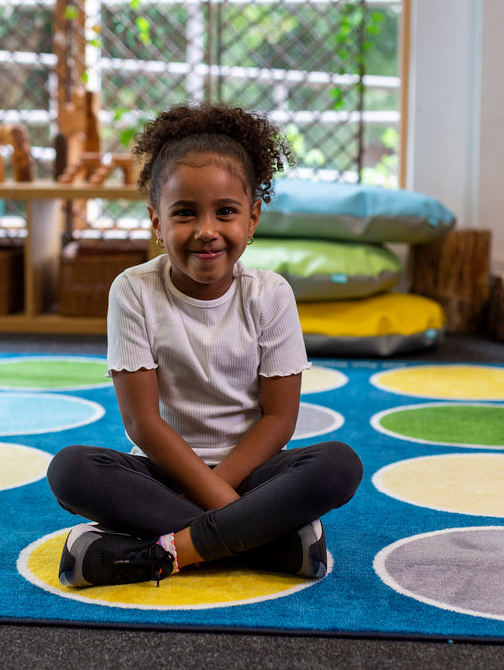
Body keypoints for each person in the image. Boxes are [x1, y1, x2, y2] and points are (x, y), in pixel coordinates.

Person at [46, 103, 364, 588]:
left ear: (253, 218)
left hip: (254, 474)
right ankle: (270, 543)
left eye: (227, 212)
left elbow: (279, 420)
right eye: (185, 213)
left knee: (339, 465)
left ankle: (168, 552)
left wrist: (224, 491)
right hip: (162, 474)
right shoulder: (132, 291)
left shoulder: (271, 294)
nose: (206, 230)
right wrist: (231, 512)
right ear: (156, 220)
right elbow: (142, 423)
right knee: (71, 469)